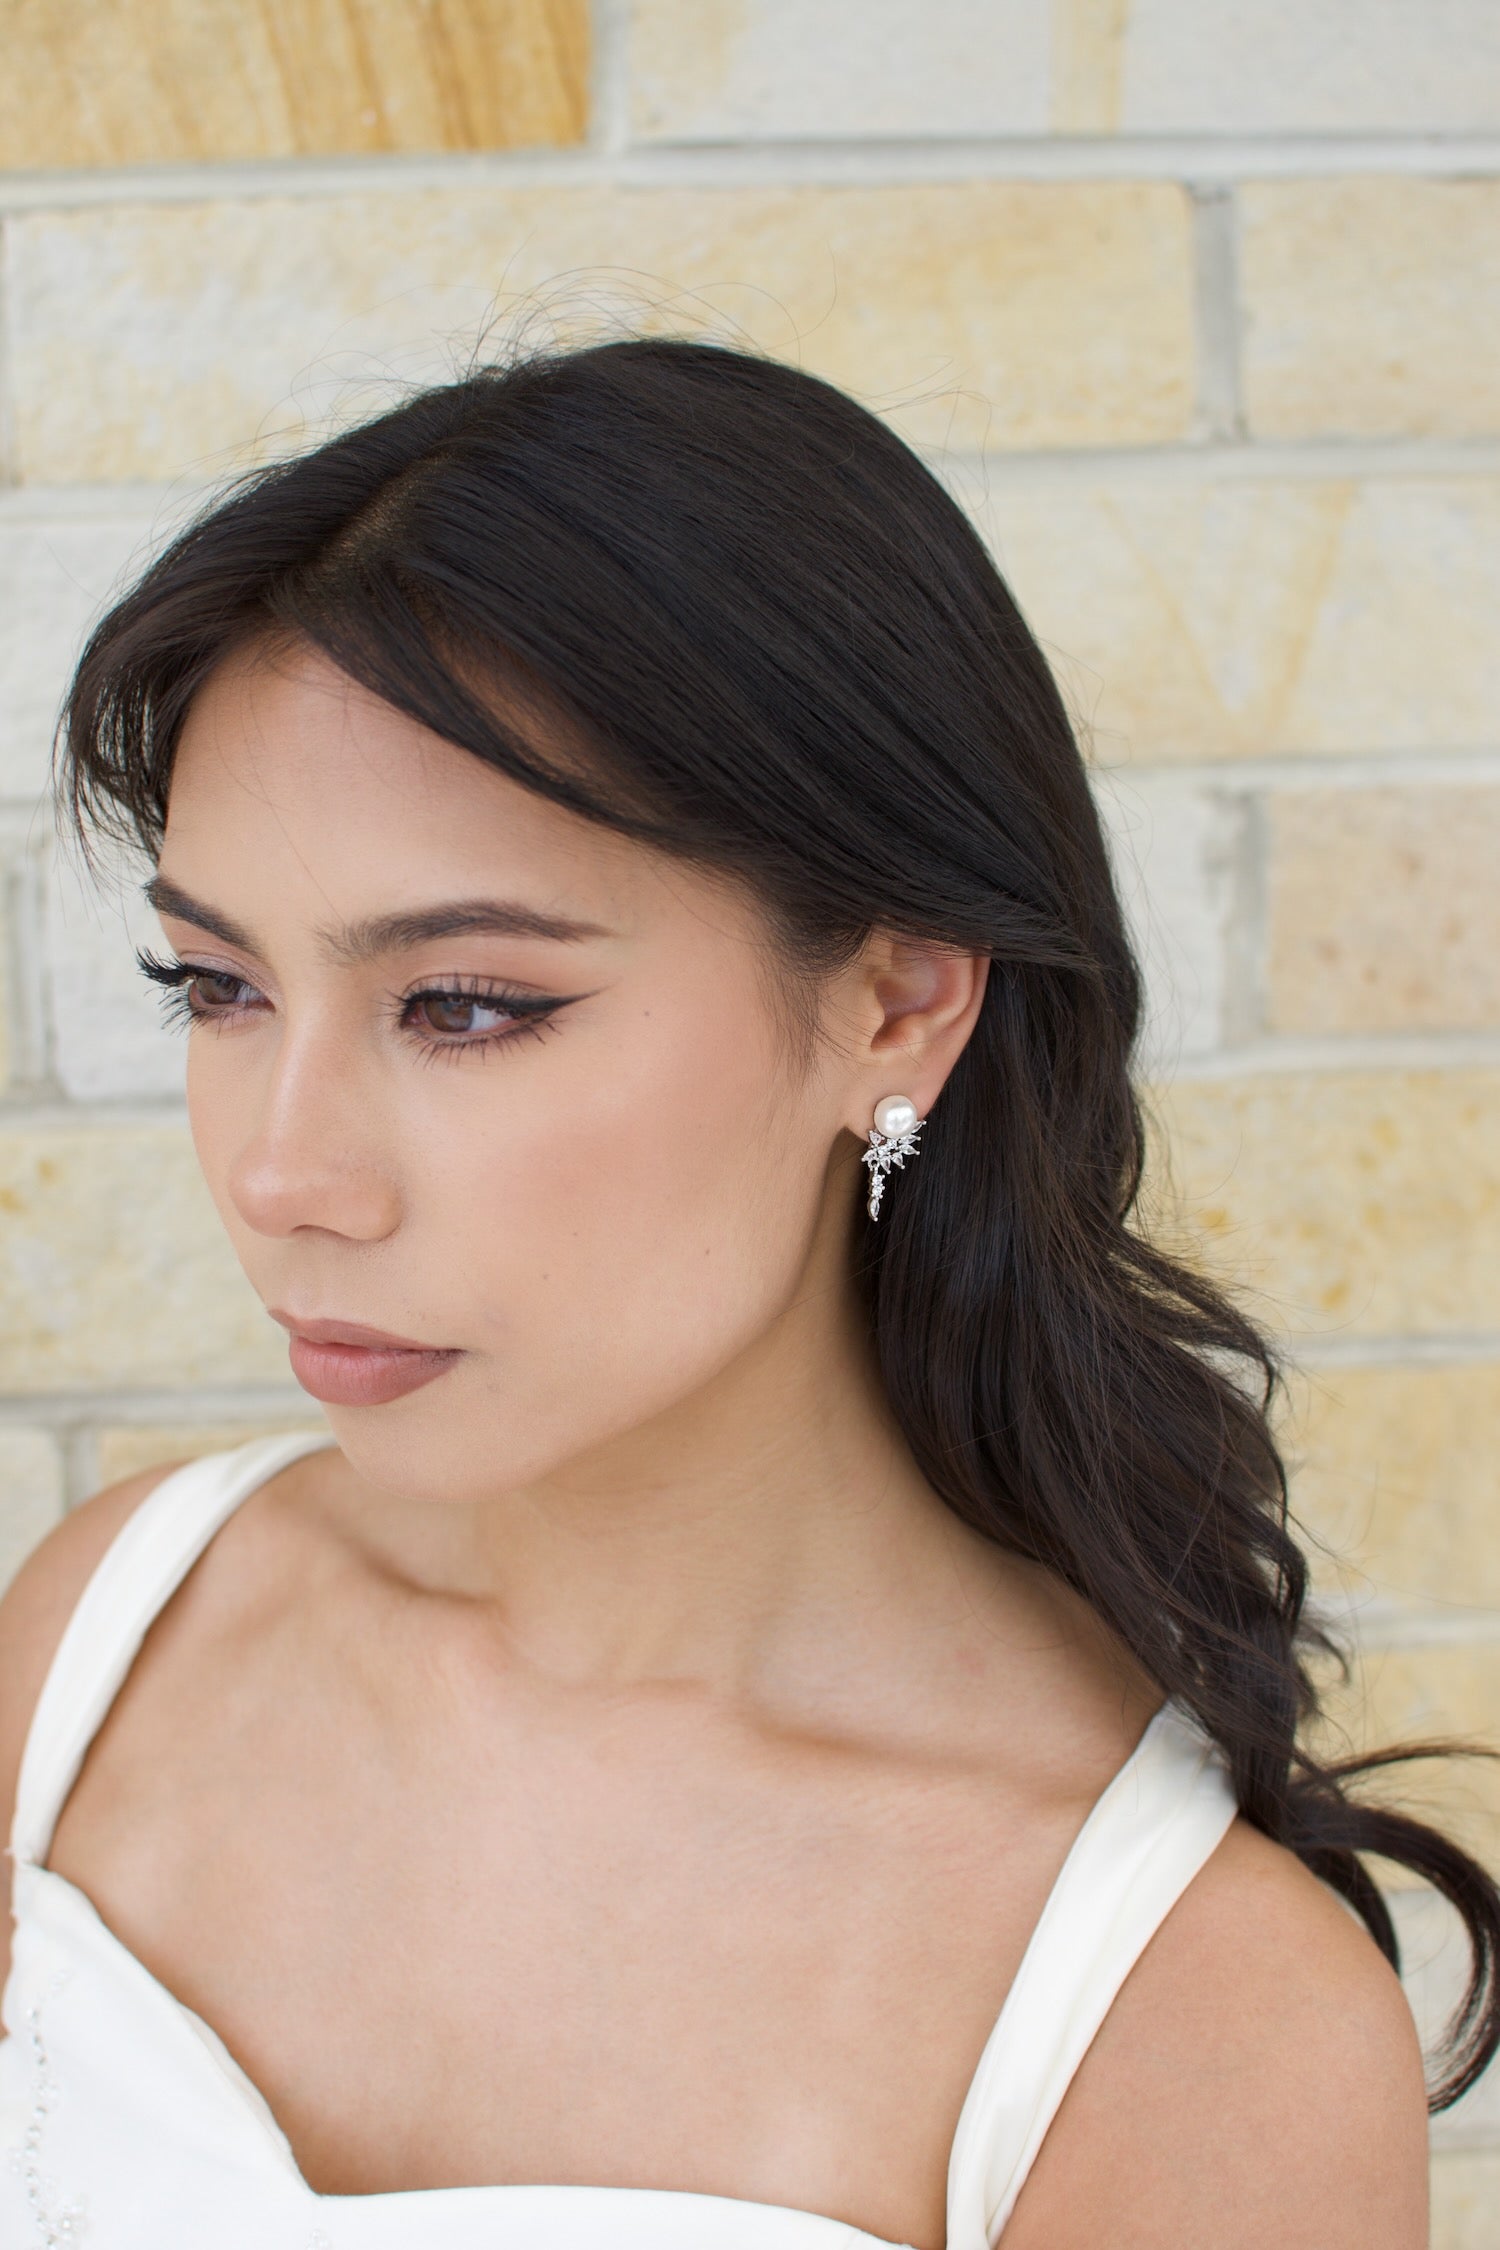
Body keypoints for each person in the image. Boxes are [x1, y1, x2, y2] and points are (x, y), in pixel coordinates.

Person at [0, 338, 1492, 2249]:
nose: (282, 1174)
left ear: (895, 1002)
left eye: (467, 1004)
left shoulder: (1187, 2025)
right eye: (219, 986)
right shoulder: (116, 1634)